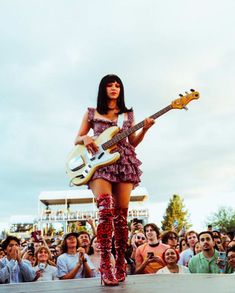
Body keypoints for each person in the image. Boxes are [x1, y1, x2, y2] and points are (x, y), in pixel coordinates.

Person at [74, 74, 155, 286]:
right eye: (110, 85)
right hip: (100, 163)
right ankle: (105, 265)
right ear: (103, 89)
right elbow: (77, 137)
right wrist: (86, 138)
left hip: (124, 161)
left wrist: (145, 128)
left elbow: (132, 143)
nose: (114, 88)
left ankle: (120, 262)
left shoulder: (127, 113)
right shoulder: (92, 112)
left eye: (117, 85)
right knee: (106, 209)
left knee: (121, 215)